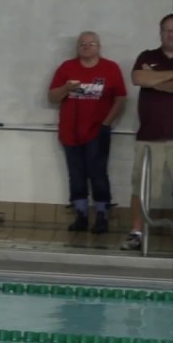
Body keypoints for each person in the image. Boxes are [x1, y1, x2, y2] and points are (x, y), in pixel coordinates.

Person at [48, 31, 127, 234]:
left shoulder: (110, 68)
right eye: (82, 43)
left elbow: (121, 99)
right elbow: (52, 97)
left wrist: (106, 124)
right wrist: (66, 87)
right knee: (76, 175)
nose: (86, 46)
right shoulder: (67, 68)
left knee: (98, 174)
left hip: (97, 132)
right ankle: (81, 215)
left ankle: (102, 215)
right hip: (70, 132)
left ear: (98, 47)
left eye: (91, 43)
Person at [123, 14, 173, 251]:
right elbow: (138, 77)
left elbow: (148, 79)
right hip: (149, 136)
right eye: (166, 30)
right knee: (140, 188)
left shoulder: (151, 64)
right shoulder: (147, 56)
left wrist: (154, 80)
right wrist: (150, 78)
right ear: (160, 32)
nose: (170, 34)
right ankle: (135, 233)